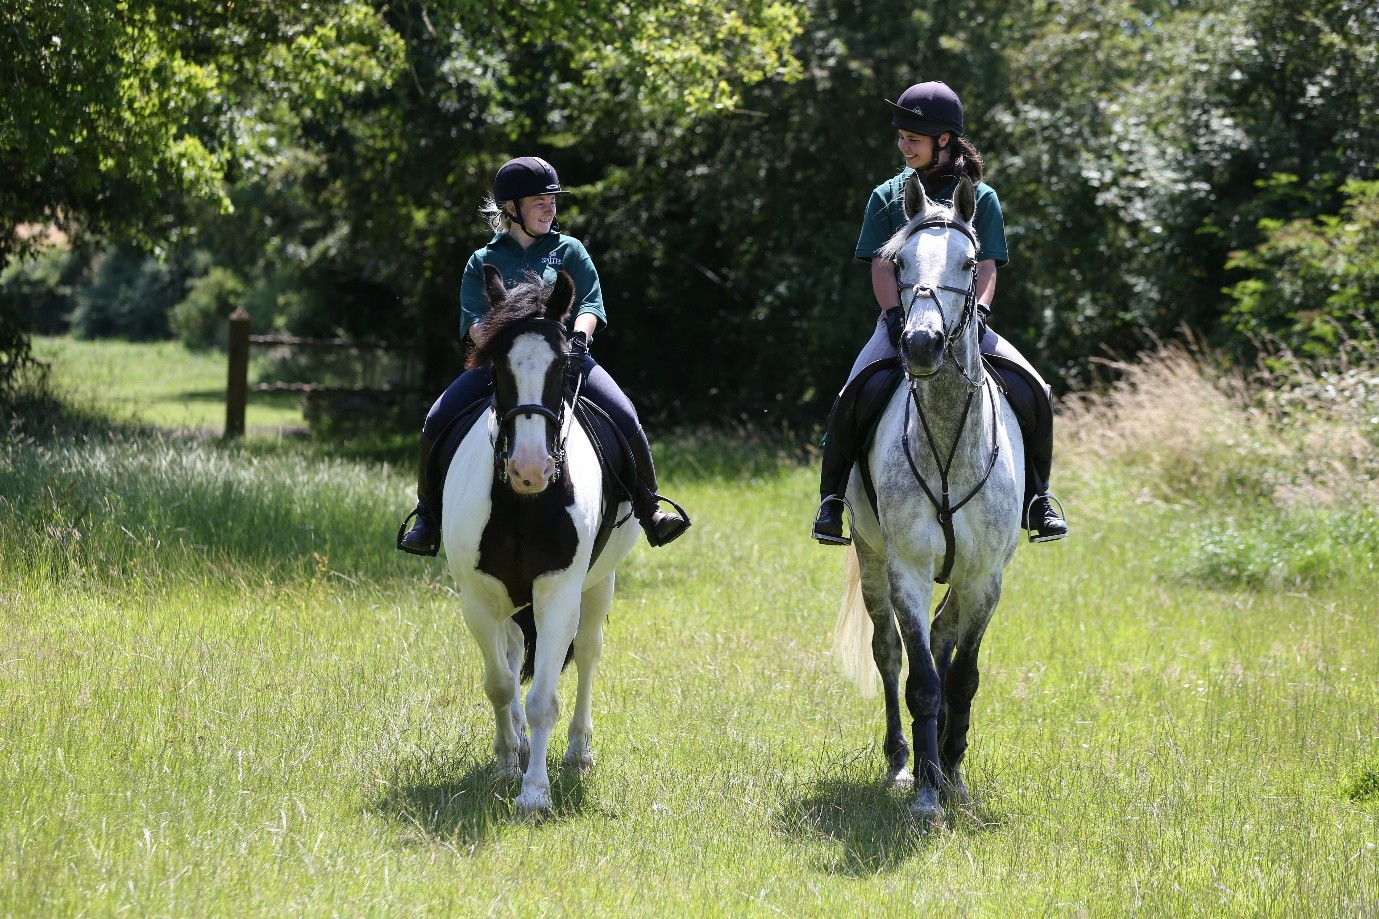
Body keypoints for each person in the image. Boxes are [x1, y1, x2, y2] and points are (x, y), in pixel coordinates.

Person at [812, 80, 1069, 545]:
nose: (903, 146)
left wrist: (982, 311)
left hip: (968, 324)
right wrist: (894, 317)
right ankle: (831, 501)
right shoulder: (888, 195)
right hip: (903, 322)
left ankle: (1038, 498)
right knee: (852, 394)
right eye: (901, 137)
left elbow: (986, 265)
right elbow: (881, 265)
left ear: (944, 139)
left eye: (913, 139)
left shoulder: (981, 197)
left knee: (1034, 389)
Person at [397, 155, 690, 555]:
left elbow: (590, 303)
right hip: (503, 366)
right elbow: (475, 322)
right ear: (511, 208)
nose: (550, 209)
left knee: (624, 413)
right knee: (437, 418)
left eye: (552, 201)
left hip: (564, 359)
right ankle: (428, 517)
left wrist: (579, 338)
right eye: (539, 202)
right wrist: (501, 347)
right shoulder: (482, 261)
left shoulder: (570, 250)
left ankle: (650, 507)